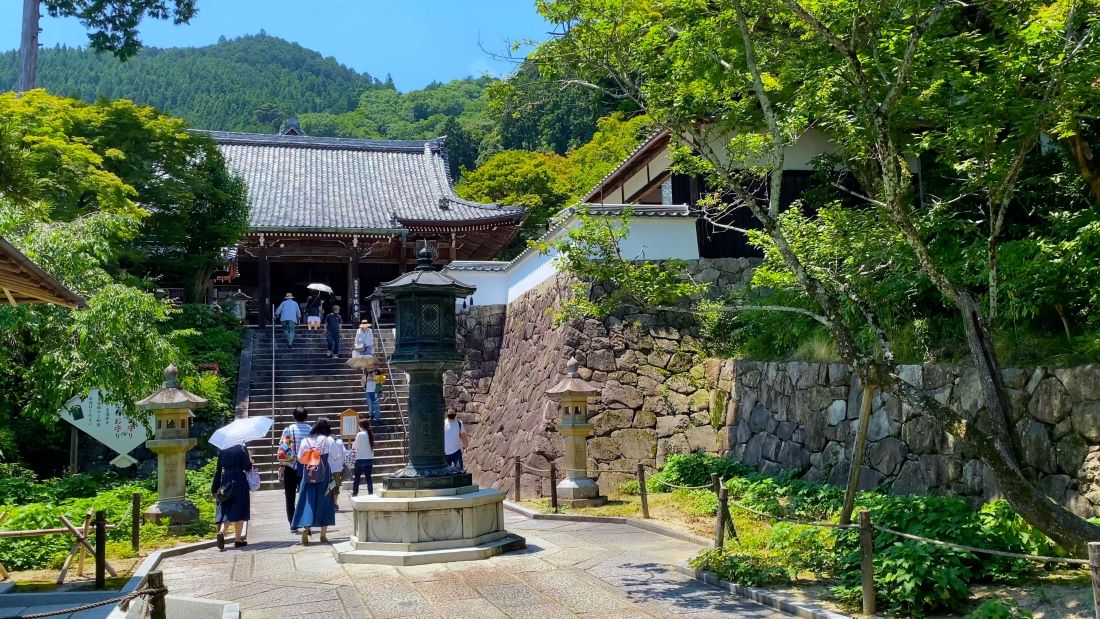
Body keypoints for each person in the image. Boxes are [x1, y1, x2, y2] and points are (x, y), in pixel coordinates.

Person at [291, 418, 345, 545]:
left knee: (307, 501)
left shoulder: (306, 441)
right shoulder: (329, 440)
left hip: (308, 475)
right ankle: (323, 534)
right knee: (325, 501)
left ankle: (306, 528)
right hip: (324, 475)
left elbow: (300, 459)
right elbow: (336, 455)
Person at [210, 443, 252, 551]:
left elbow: (218, 469)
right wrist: (249, 458)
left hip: (226, 482)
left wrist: (214, 489)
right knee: (240, 510)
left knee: (227, 508)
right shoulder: (242, 448)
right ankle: (238, 539)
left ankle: (222, 532)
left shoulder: (223, 449)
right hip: (239, 481)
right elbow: (247, 466)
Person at [277, 407, 311, 532]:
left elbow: (283, 448)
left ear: (293, 417)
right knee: (306, 496)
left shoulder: (289, 429)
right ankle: (307, 522)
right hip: (306, 466)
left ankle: (293, 523)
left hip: (290, 466)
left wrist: (281, 465)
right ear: (306, 417)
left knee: (289, 496)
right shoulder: (310, 430)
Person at [351, 418, 376, 496]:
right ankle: (370, 492)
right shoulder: (370, 434)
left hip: (360, 458)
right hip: (369, 459)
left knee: (357, 477)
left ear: (361, 426)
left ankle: (355, 493)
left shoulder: (360, 434)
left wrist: (353, 444)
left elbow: (355, 446)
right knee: (368, 477)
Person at [354, 320, 373, 386]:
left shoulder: (369, 330)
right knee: (362, 358)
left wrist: (372, 345)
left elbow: (371, 338)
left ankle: (366, 369)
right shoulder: (358, 330)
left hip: (368, 345)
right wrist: (356, 345)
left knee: (367, 357)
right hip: (361, 346)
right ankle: (364, 369)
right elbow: (356, 338)